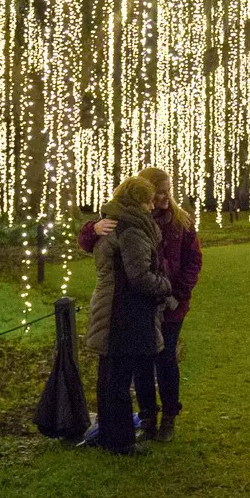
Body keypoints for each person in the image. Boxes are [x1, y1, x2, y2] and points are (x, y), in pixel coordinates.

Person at [77, 165, 203, 441]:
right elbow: (92, 242)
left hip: (170, 304)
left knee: (166, 358)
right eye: (158, 193)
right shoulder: (129, 219)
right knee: (142, 362)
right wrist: (93, 229)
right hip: (142, 304)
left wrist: (177, 292)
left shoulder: (179, 221)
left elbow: (193, 259)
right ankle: (148, 417)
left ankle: (169, 415)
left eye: (168, 192)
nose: (164, 198)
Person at [84, 175, 177, 454]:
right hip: (123, 311)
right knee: (119, 380)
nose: (152, 207)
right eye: (148, 201)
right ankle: (121, 441)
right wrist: (166, 286)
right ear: (138, 201)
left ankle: (111, 435)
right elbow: (139, 276)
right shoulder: (131, 230)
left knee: (110, 377)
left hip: (110, 306)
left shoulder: (112, 223)